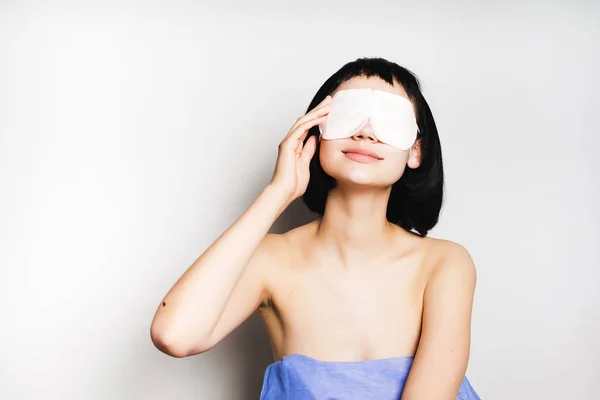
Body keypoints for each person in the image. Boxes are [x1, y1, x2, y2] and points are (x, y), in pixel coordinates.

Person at [150, 57, 480, 399]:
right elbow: (175, 335)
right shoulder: (270, 260)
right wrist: (278, 193)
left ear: (416, 151)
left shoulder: (445, 263)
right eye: (348, 114)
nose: (365, 132)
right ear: (314, 132)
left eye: (389, 120)